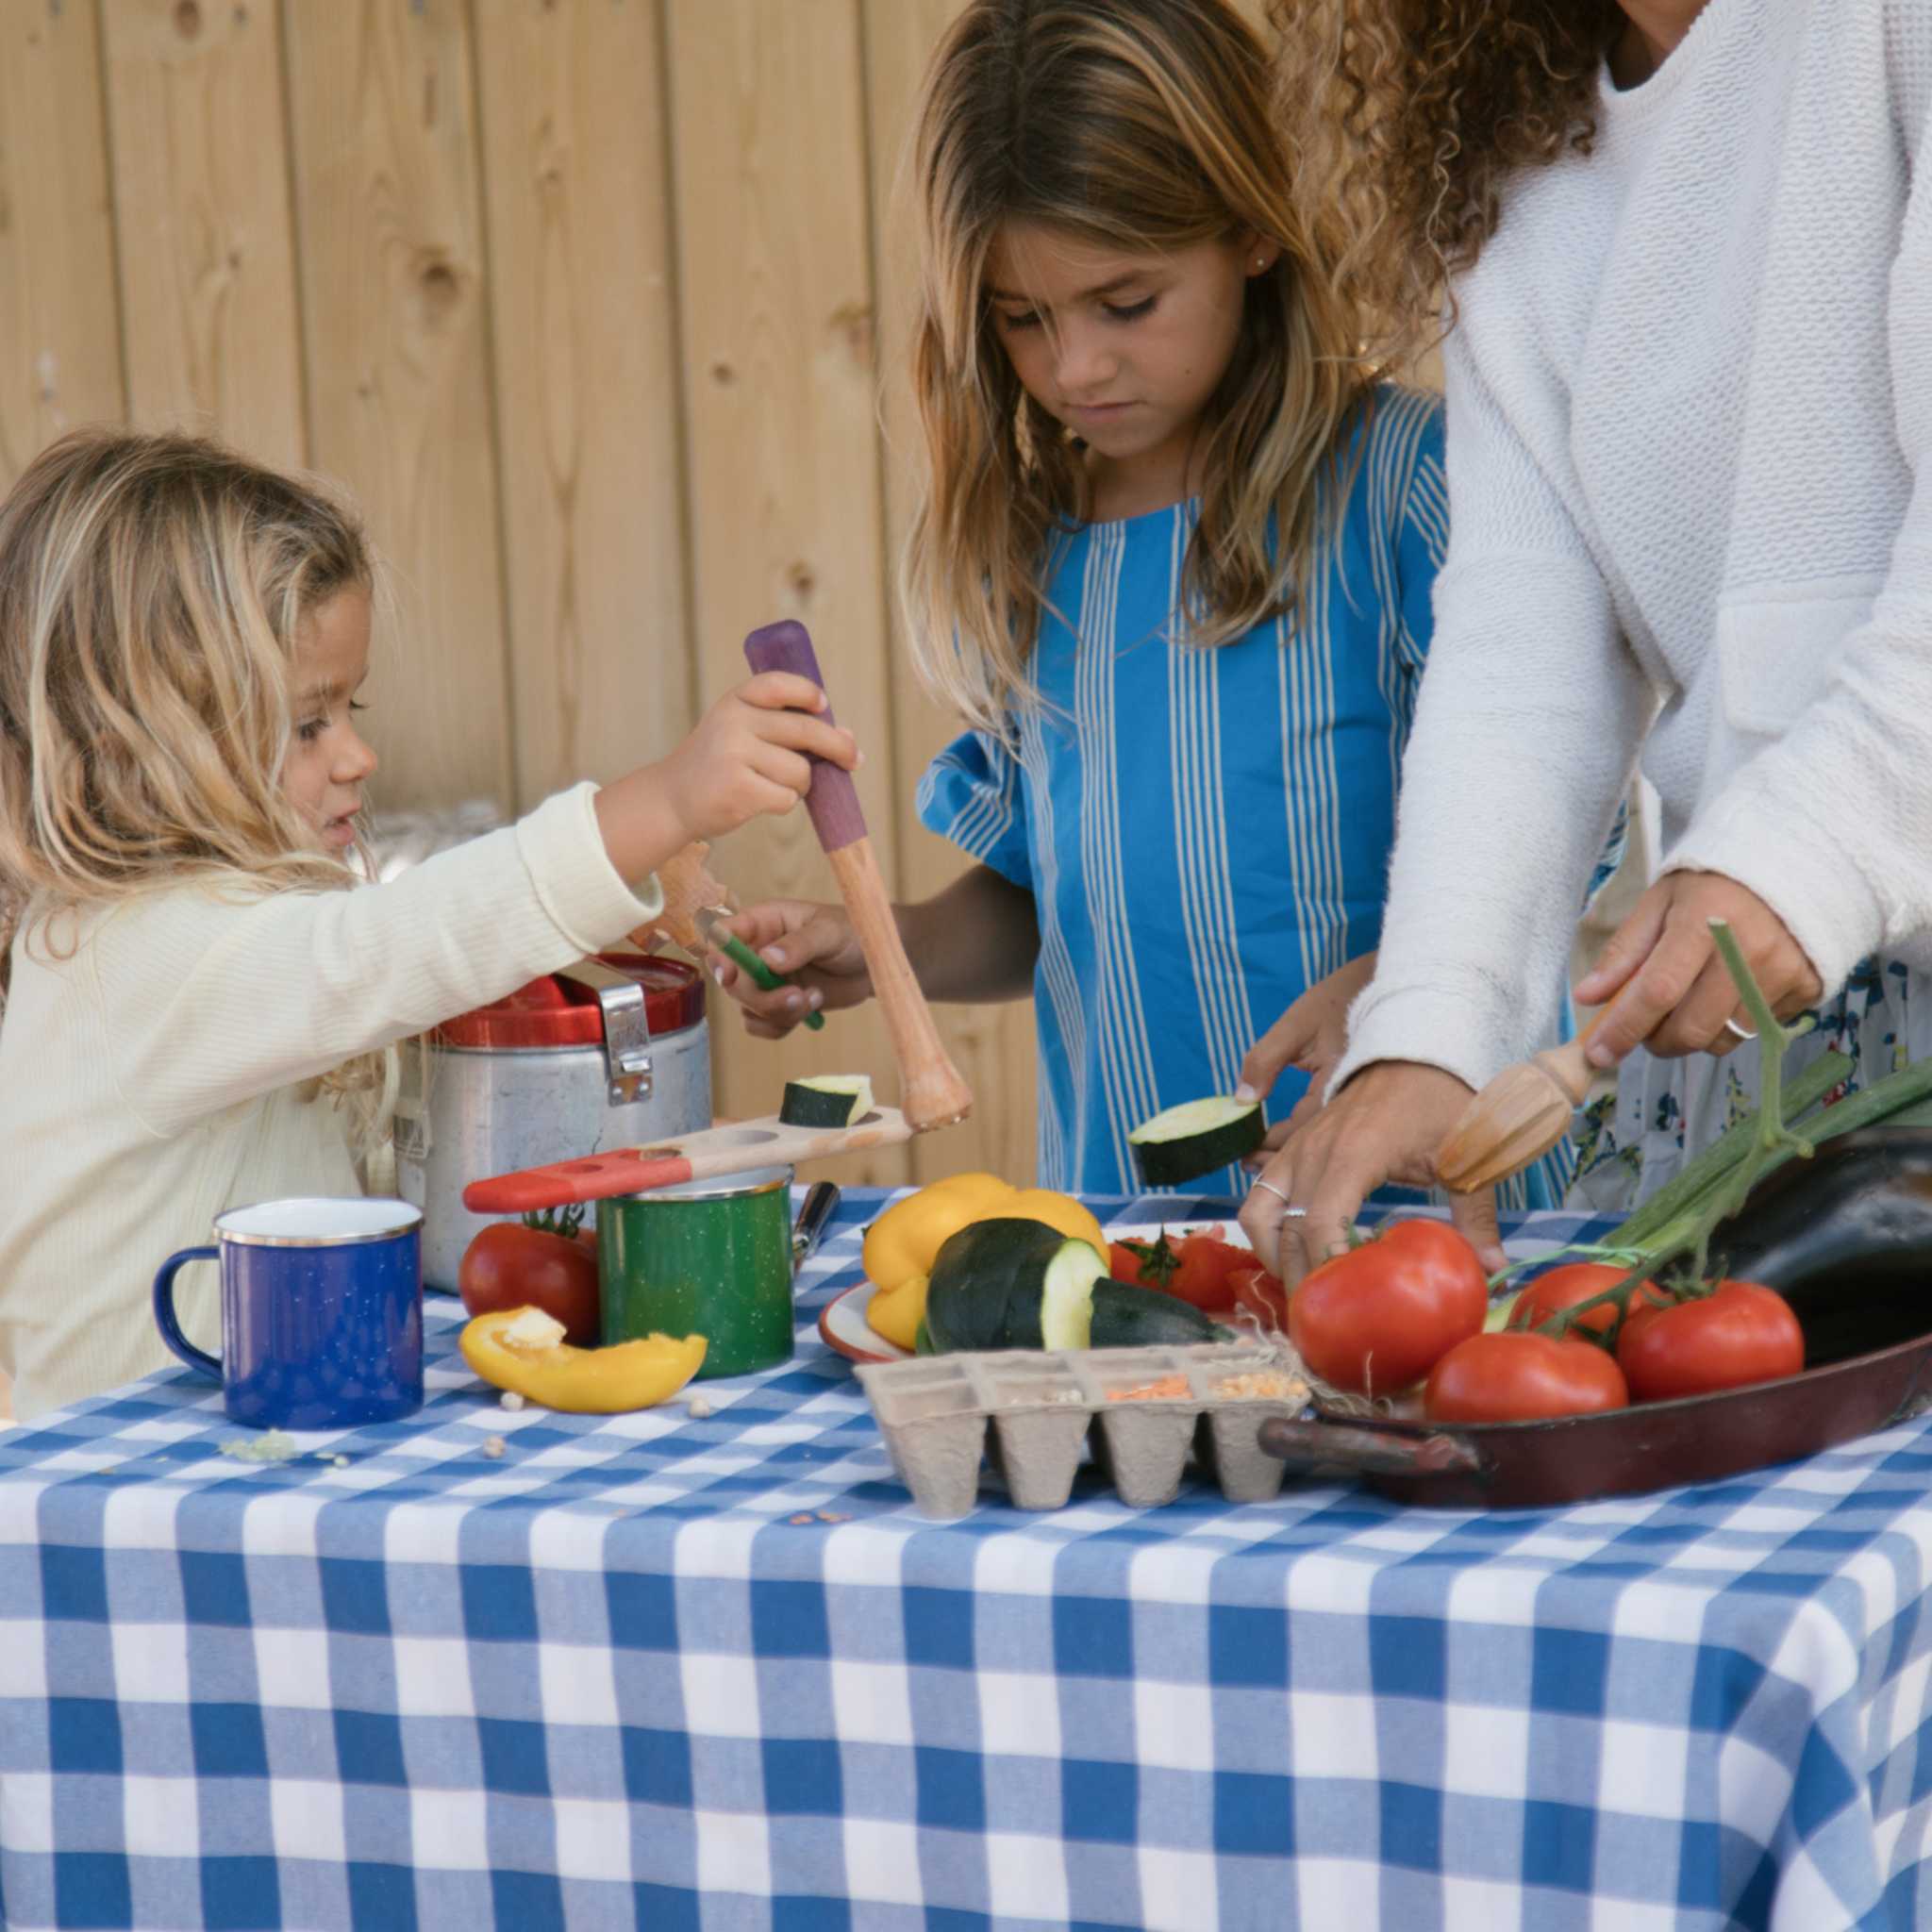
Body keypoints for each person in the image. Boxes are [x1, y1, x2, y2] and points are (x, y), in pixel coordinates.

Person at [710, 0, 1594, 1206]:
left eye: (1125, 303)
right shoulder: (1037, 554)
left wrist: (1410, 988)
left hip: (1432, 1224)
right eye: (1024, 318)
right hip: (1131, 1236)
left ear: (1249, 231)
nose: (1075, 367)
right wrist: (884, 948)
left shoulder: (1407, 493)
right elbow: (1053, 900)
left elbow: (1557, 814)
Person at [1241, 0, 1932, 1281]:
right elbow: (1523, 644)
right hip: (1750, 1025)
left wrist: (1810, 849)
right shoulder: (1509, 128)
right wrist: (1434, 1022)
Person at [0, 429, 858, 1420]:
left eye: (349, 706)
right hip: (127, 1494)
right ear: (129, 745)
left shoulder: (208, 933)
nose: (359, 754)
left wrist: (597, 930)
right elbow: (392, 951)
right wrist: (658, 803)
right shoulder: (139, 951)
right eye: (306, 723)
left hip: (255, 1446)